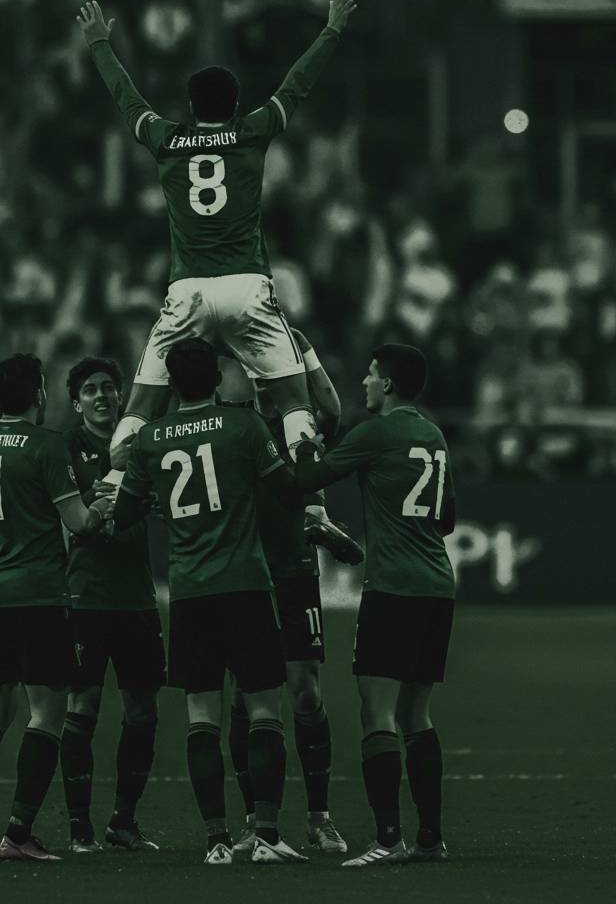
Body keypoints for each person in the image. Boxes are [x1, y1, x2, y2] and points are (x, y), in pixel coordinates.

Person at [75, 0, 358, 482]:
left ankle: (114, 482)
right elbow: (296, 85)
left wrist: (100, 43)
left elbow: (127, 99)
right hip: (247, 285)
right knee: (294, 401)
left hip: (189, 289)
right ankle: (307, 482)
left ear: (190, 104)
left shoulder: (169, 138)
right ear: (235, 105)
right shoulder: (253, 132)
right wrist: (331, 29)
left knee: (142, 406)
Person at [111, 337, 307, 865]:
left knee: (202, 716)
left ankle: (216, 840)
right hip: (244, 584)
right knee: (265, 709)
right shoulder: (245, 427)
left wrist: (152, 500)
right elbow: (286, 488)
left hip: (192, 592)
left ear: (171, 384)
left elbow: (125, 513)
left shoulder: (151, 440)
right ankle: (266, 833)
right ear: (219, 380)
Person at [0, 354, 112, 862]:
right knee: (47, 714)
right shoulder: (47, 446)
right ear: (38, 394)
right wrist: (103, 504)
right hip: (37, 594)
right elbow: (79, 523)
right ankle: (17, 833)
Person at [293, 344, 456, 866]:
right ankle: (431, 838)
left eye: (368, 375)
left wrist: (303, 447)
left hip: (393, 588)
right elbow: (447, 517)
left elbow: (309, 480)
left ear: (386, 384)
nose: (362, 383)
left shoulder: (376, 433)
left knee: (377, 712)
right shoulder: (432, 434)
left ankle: (388, 840)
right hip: (437, 586)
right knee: (417, 713)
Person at [221, 335, 362, 856]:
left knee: (305, 691)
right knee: (245, 696)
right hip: (244, 574)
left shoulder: (300, 424)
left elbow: (332, 409)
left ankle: (319, 818)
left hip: (295, 570)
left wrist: (301, 345)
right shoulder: (231, 423)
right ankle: (253, 819)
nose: (262, 377)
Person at [59, 357, 165, 853]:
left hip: (137, 596)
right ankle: (80, 827)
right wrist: (93, 502)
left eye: (108, 388)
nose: (101, 397)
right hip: (85, 595)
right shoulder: (65, 447)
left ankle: (124, 821)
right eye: (90, 390)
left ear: (121, 397)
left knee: (143, 710)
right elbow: (58, 518)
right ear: (75, 401)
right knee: (83, 705)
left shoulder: (142, 446)